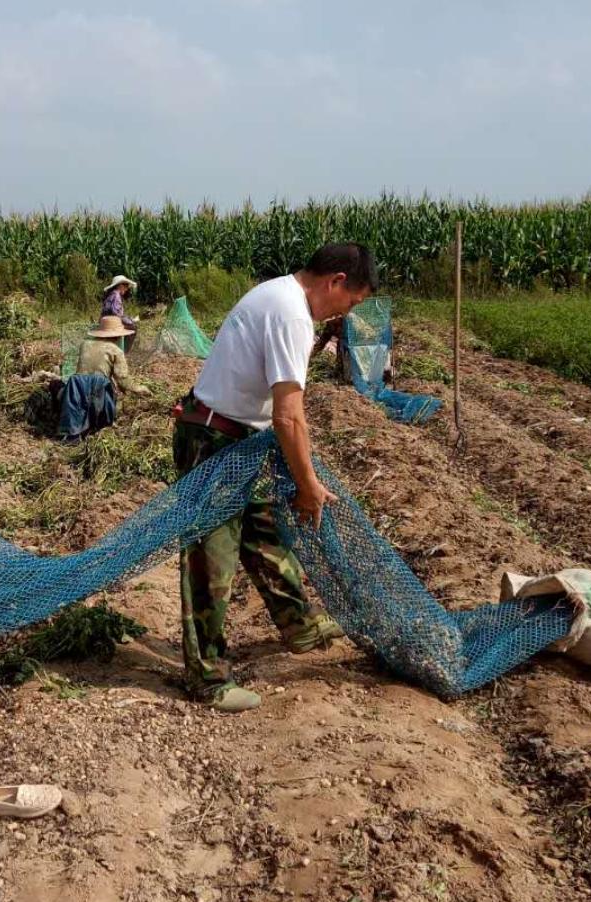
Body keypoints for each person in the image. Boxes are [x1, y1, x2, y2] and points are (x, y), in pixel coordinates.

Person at [172, 243, 378, 712]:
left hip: (237, 439)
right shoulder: (290, 313)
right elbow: (289, 417)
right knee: (212, 558)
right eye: (353, 300)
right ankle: (207, 678)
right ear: (336, 282)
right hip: (213, 443)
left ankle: (298, 624)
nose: (346, 311)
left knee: (265, 532)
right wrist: (308, 486)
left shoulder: (285, 298)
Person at [76, 316, 151, 398]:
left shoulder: (85, 344)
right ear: (118, 336)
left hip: (77, 389)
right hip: (97, 394)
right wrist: (140, 389)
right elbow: (122, 381)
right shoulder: (115, 351)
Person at [101, 275, 139, 353]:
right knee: (133, 328)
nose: (127, 288)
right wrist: (132, 320)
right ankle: (124, 352)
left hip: (105, 322)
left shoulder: (111, 294)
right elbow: (118, 315)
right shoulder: (116, 296)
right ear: (120, 286)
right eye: (126, 286)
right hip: (111, 324)